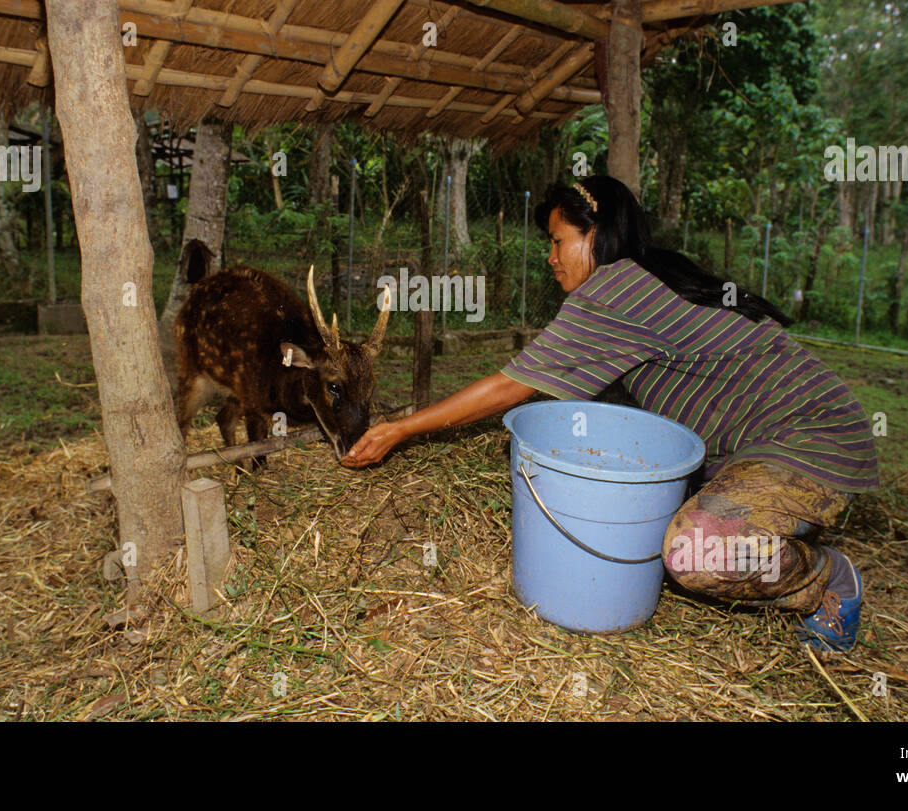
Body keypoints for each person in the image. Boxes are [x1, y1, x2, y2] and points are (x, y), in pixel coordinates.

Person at [342, 175, 879, 652]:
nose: (550, 258)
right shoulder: (648, 277)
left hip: (813, 438)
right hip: (762, 443)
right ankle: (769, 533)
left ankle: (827, 577)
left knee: (694, 553)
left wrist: (401, 429)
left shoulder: (614, 290)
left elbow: (510, 386)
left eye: (557, 241)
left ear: (594, 235)